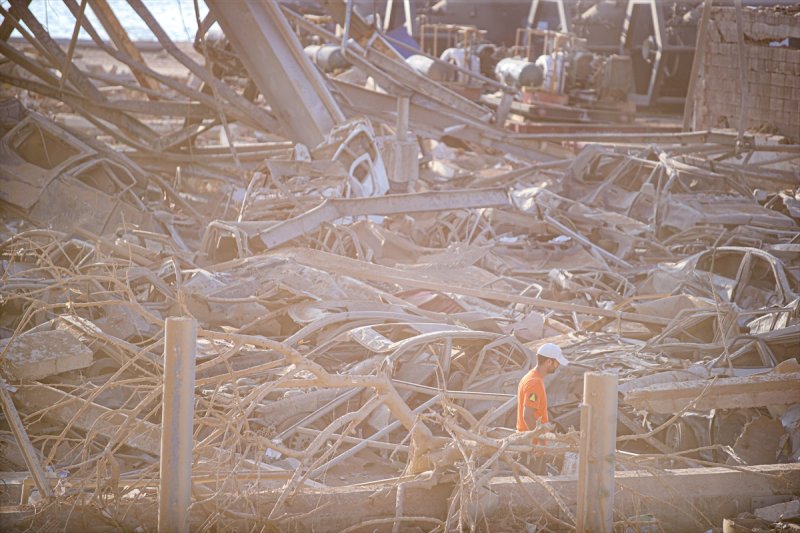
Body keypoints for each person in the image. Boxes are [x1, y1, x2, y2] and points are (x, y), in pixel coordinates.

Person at [516, 342, 569, 435]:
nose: (558, 366)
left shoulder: (531, 376)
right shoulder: (535, 383)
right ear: (549, 362)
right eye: (557, 363)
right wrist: (540, 437)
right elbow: (527, 416)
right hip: (532, 443)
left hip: (528, 438)